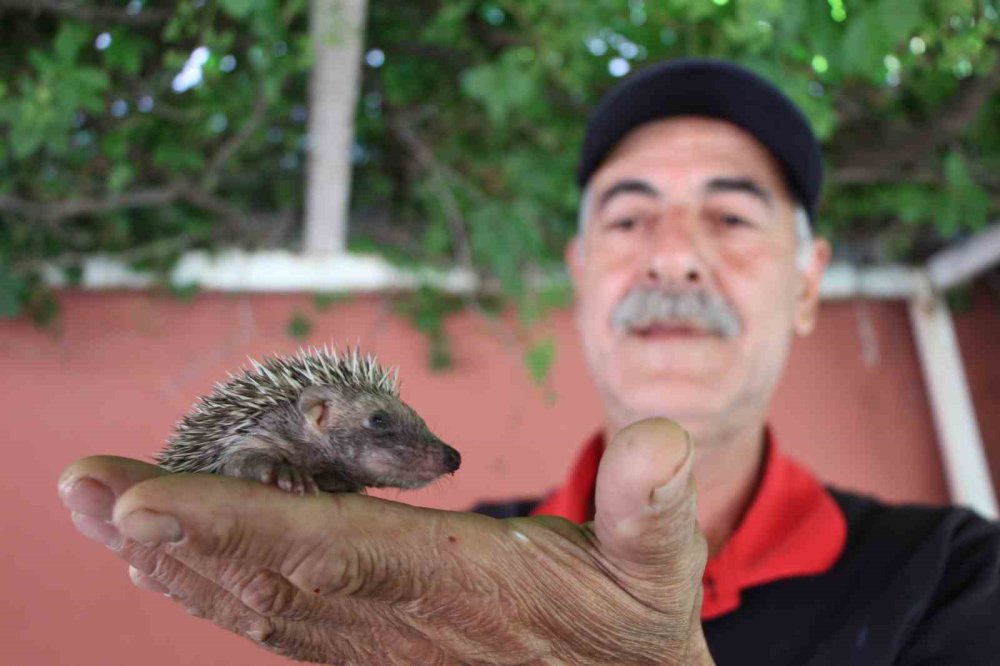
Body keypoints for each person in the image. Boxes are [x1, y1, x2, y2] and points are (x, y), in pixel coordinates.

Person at [58, 59, 1000, 665]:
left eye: (731, 216)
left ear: (808, 286)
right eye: (629, 218)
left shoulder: (958, 576)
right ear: (582, 276)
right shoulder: (438, 583)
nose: (672, 254)